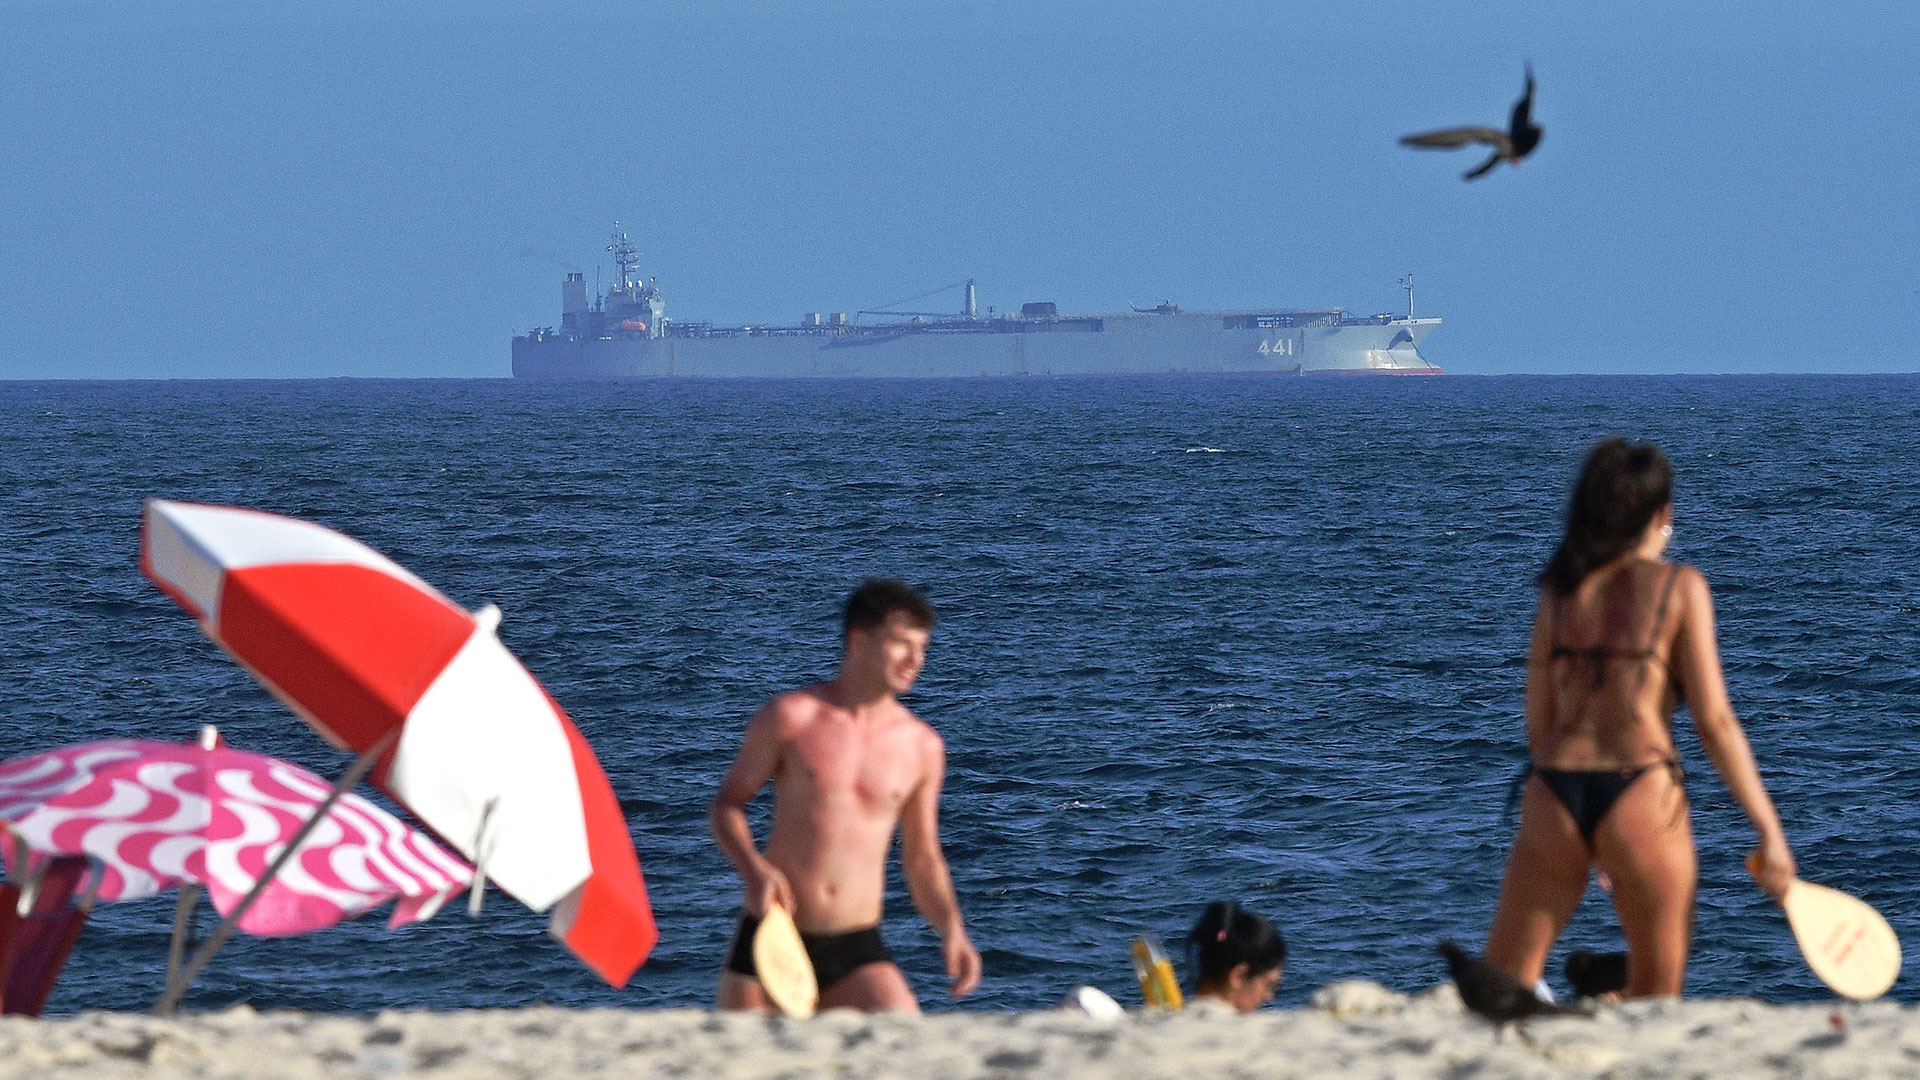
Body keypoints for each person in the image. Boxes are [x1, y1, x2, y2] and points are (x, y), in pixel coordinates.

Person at [1483, 437, 1796, 998]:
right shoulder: (1680, 588)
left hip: (1554, 790)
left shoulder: (1560, 591)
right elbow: (1715, 721)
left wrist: (1585, 838)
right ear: (1663, 515)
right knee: (1657, 996)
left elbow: (1539, 718)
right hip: (1640, 791)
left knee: (1503, 985)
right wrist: (1768, 829)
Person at [710, 579, 982, 1013]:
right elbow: (727, 805)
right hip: (773, 935)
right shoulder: (792, 718)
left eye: (923, 648)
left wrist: (952, 928)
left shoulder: (921, 747)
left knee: (903, 1043)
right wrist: (754, 870)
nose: (916, 660)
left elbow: (922, 857)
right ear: (859, 638)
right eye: (901, 644)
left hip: (856, 945)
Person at [1186, 901, 1285, 1012]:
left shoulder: (1169, 1018)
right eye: (1269, 985)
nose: (1269, 997)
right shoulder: (1244, 1028)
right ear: (1239, 976)